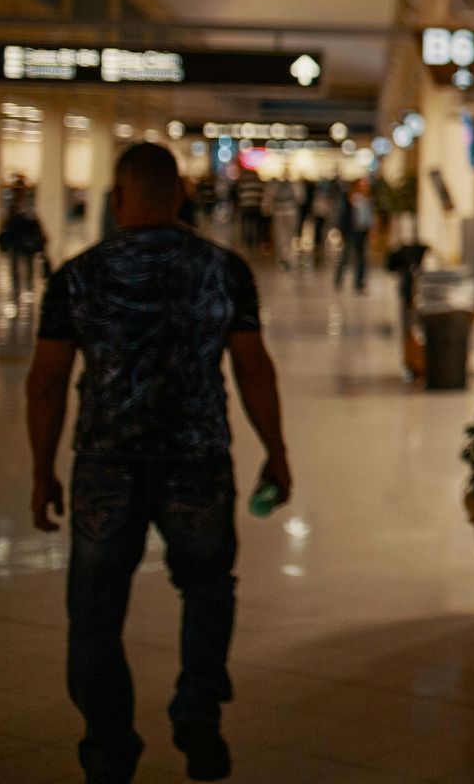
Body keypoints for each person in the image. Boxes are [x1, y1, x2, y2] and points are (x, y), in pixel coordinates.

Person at [25, 142, 292, 784]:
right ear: (179, 195)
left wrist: (42, 471)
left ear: (117, 199)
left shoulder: (76, 276)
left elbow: (46, 381)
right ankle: (197, 705)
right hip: (197, 462)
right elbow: (253, 368)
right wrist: (277, 452)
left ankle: (110, 748)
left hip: (105, 468)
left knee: (94, 613)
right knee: (205, 590)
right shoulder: (223, 269)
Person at [333, 177, 373, 294]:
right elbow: (343, 216)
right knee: (346, 256)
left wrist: (371, 230)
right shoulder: (349, 198)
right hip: (352, 232)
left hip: (362, 231)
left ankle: (359, 282)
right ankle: (339, 279)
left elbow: (369, 217)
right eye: (363, 185)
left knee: (362, 258)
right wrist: (342, 232)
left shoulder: (366, 199)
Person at [232, 167, 264, 255]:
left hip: (245, 207)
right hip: (256, 207)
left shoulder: (243, 181)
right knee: (255, 225)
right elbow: (262, 194)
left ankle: (247, 243)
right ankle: (254, 243)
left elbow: (238, 194)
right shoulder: (258, 181)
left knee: (246, 226)